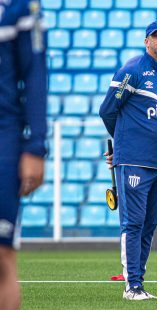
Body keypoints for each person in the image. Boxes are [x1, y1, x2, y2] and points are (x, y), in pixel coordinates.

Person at [99, 20, 157, 301]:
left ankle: (139, 284)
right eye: (156, 35)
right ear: (147, 41)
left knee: (148, 225)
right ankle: (131, 287)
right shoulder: (132, 70)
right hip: (134, 162)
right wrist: (122, 145)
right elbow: (107, 110)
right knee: (133, 224)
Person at [0, 1, 47, 309]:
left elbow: (34, 73)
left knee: (0, 257)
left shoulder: (18, 4)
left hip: (3, 136)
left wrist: (35, 144)